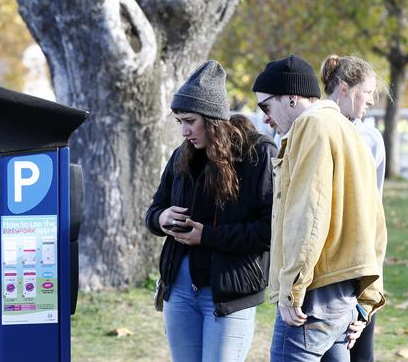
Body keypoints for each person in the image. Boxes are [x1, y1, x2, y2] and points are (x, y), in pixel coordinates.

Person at [252, 55, 387, 362]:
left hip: (313, 293)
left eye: (265, 106)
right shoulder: (350, 131)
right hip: (344, 298)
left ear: (290, 98)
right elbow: (374, 223)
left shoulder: (311, 126)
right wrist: (367, 300)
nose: (265, 118)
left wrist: (292, 288)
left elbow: (308, 215)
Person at [145, 60, 277, 362]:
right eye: (179, 121)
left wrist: (208, 236)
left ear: (213, 117)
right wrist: (161, 219)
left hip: (229, 293)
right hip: (179, 288)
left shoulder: (257, 155)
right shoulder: (182, 155)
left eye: (189, 120)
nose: (184, 131)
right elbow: (154, 209)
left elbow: (268, 230)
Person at [320, 55, 387, 362]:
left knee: (359, 351)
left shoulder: (371, 139)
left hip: (358, 265)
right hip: (322, 269)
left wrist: (369, 290)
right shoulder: (311, 128)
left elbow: (375, 210)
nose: (372, 100)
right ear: (345, 88)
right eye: (368, 91)